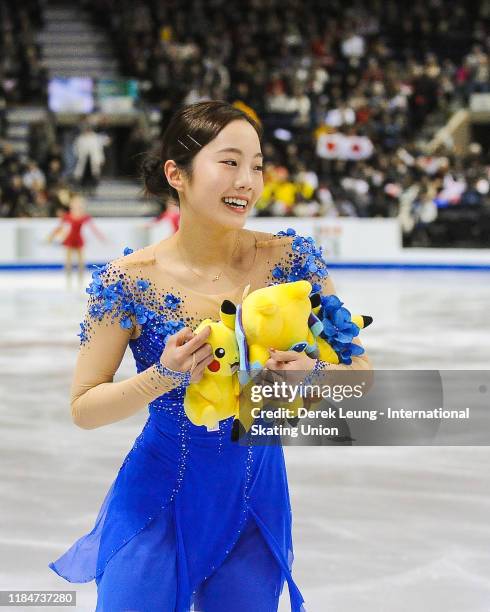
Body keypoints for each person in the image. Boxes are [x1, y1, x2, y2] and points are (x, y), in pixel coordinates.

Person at [48, 100, 371, 611]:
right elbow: (84, 408)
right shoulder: (128, 281)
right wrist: (161, 376)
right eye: (229, 162)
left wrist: (317, 373)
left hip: (255, 497)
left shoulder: (294, 261)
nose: (247, 180)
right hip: (157, 497)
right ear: (177, 173)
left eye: (258, 164)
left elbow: (361, 376)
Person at [47, 193, 105, 288]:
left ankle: (80, 281)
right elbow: (59, 228)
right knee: (68, 262)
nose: (77, 206)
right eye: (75, 204)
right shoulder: (68, 216)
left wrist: (102, 238)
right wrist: (51, 236)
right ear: (71, 205)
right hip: (70, 239)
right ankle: (68, 281)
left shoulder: (85, 217)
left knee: (81, 262)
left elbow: (94, 229)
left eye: (79, 204)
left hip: (78, 239)